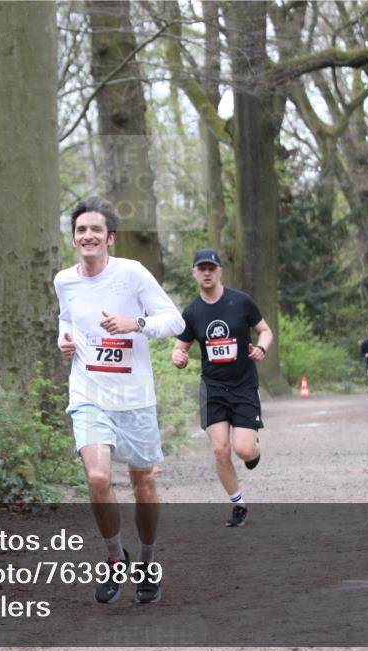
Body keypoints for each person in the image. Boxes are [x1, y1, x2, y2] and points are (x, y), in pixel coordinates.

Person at [54, 196, 184, 605]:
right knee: (97, 478)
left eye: (96, 229)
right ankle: (115, 557)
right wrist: (63, 340)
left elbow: (175, 320)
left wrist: (135, 323)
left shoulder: (132, 273)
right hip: (88, 392)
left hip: (134, 397)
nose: (88, 236)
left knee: (143, 484)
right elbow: (66, 318)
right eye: (81, 230)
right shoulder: (64, 281)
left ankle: (146, 561)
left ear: (109, 238)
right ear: (74, 238)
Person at [172, 249, 273, 528]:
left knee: (243, 450)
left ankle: (253, 450)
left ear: (219, 271)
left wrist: (262, 348)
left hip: (243, 385)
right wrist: (178, 357)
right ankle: (238, 503)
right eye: (201, 269)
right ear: (194, 273)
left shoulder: (241, 301)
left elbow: (265, 330)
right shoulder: (192, 312)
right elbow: (180, 348)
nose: (206, 273)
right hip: (213, 388)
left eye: (211, 268)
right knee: (220, 449)